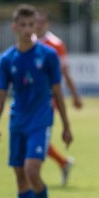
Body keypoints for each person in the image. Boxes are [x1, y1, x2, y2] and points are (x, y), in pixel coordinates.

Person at [0, 4, 73, 198]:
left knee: (32, 171)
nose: (28, 29)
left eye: (31, 25)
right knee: (20, 176)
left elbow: (58, 92)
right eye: (23, 25)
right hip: (17, 122)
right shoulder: (7, 59)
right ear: (14, 27)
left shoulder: (47, 55)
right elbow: (0, 93)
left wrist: (66, 126)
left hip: (41, 121)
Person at [35, 10, 83, 186]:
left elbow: (65, 72)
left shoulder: (56, 44)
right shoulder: (27, 43)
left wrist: (75, 96)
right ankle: (63, 163)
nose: (38, 25)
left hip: (48, 99)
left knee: (37, 137)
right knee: (32, 136)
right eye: (35, 21)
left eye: (41, 21)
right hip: (28, 99)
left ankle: (33, 178)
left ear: (47, 24)